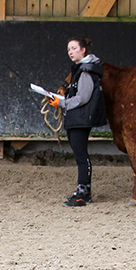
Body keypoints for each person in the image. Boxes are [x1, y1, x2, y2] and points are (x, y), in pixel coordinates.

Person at [49, 38, 106, 207]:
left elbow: (83, 98)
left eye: (74, 48)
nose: (71, 52)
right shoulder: (80, 71)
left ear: (83, 50)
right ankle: (82, 190)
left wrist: (62, 103)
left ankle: (83, 192)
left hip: (80, 118)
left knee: (81, 156)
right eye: (68, 50)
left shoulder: (86, 72)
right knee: (79, 155)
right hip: (76, 118)